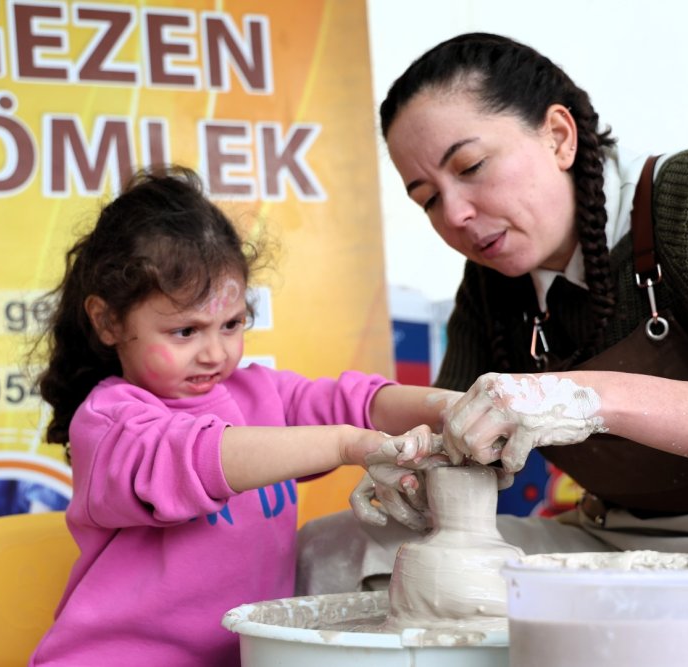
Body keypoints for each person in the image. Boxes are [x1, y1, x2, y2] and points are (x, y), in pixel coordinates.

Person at [296, 33, 688, 666]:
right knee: (345, 544)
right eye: (427, 198)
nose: (454, 214)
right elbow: (457, 448)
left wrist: (588, 397)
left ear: (559, 136)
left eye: (471, 166)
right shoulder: (490, 288)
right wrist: (415, 477)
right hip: (621, 541)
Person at [27, 166, 455, 666]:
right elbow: (193, 457)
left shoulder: (259, 394)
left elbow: (360, 402)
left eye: (231, 325)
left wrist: (453, 406)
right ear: (107, 321)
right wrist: (346, 445)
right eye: (185, 331)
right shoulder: (108, 424)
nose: (215, 353)